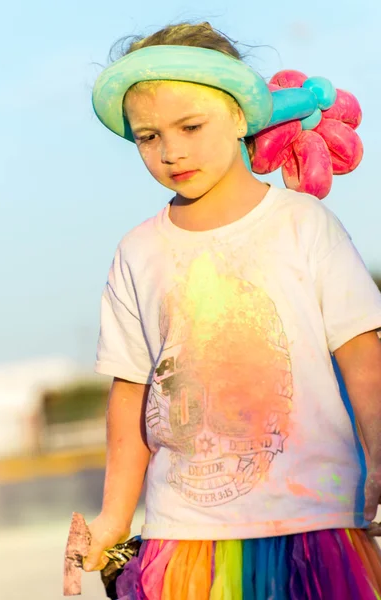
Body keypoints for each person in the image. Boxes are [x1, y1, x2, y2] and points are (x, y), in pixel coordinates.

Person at [83, 22, 381, 599]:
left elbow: (362, 353)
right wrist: (114, 519)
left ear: (242, 116)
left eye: (190, 126)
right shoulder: (138, 251)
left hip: (314, 525)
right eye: (148, 136)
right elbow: (131, 395)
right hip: (186, 540)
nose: (171, 151)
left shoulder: (302, 224)